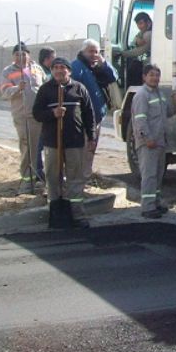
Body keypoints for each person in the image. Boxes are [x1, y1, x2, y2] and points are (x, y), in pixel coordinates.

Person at [33, 57, 96, 229]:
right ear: (52, 71)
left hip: (74, 141)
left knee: (75, 179)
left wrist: (91, 137)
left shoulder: (79, 88)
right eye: (56, 68)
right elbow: (37, 113)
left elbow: (89, 115)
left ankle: (77, 215)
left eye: (63, 68)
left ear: (69, 70)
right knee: (53, 178)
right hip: (53, 142)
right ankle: (55, 215)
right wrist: (52, 113)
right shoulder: (46, 90)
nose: (59, 71)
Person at [131, 64, 176, 219]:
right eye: (151, 75)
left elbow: (168, 113)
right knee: (149, 175)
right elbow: (140, 120)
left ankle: (156, 202)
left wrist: (175, 103)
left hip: (160, 140)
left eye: (157, 75)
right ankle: (147, 207)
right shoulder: (142, 95)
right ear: (144, 77)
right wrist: (146, 138)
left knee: (158, 174)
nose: (155, 78)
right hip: (148, 142)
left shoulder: (160, 94)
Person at [0, 42, 45, 194]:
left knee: (38, 147)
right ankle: (27, 180)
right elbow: (5, 92)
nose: (21, 57)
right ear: (13, 57)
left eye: (23, 54)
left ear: (29, 54)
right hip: (22, 115)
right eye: (17, 54)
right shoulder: (8, 72)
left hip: (39, 114)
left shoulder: (37, 69)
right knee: (27, 147)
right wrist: (17, 89)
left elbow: (44, 86)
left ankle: (38, 175)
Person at [71, 39, 118, 180]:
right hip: (83, 117)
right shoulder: (77, 66)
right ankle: (79, 178)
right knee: (82, 149)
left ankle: (86, 175)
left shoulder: (98, 67)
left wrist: (103, 62)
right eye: (91, 51)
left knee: (91, 148)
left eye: (97, 51)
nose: (94, 54)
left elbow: (113, 76)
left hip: (97, 117)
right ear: (83, 51)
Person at [36, 47, 56, 182]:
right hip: (43, 112)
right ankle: (38, 171)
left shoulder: (50, 71)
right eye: (53, 58)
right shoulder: (40, 72)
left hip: (50, 113)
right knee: (39, 144)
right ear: (46, 59)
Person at [120, 12, 153, 87]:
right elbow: (134, 41)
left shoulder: (149, 34)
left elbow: (139, 51)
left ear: (148, 22)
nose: (139, 26)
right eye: (138, 24)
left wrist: (123, 54)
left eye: (141, 23)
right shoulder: (144, 32)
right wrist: (137, 41)